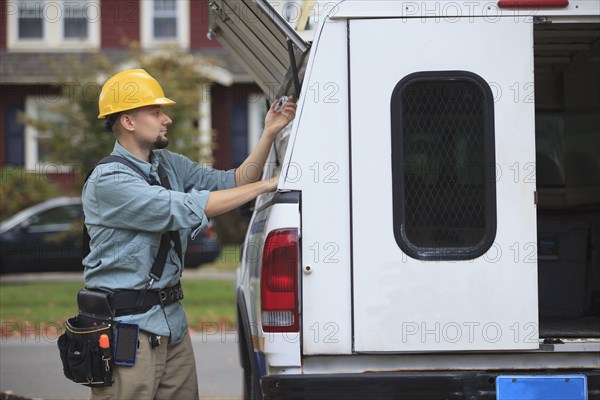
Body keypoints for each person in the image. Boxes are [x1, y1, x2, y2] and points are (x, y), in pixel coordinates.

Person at [83, 69, 296, 399]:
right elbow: (185, 207)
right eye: (155, 112)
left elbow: (234, 182)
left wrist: (269, 133)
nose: (166, 119)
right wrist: (269, 184)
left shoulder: (168, 164)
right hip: (128, 330)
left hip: (172, 326)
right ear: (128, 121)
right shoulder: (109, 181)